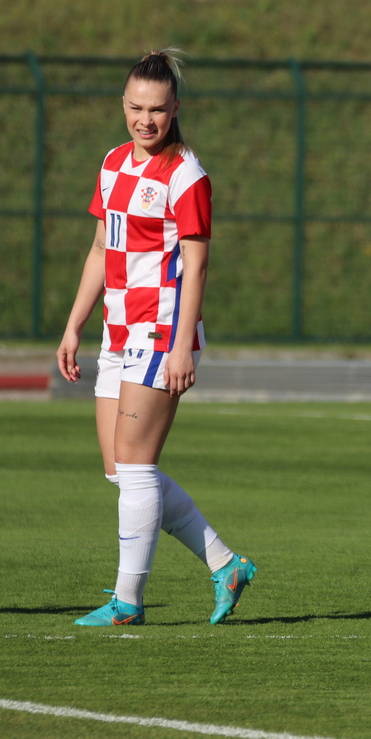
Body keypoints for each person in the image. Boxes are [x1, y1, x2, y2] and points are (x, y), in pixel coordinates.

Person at [56, 50, 255, 627]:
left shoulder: (186, 175)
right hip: (116, 332)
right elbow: (101, 248)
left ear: (176, 109)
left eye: (159, 110)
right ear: (124, 105)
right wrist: (73, 324)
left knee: (138, 467)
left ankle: (127, 602)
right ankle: (225, 563)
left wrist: (181, 345)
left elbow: (196, 268)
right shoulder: (114, 163)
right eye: (137, 108)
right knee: (120, 470)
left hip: (160, 329)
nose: (147, 120)